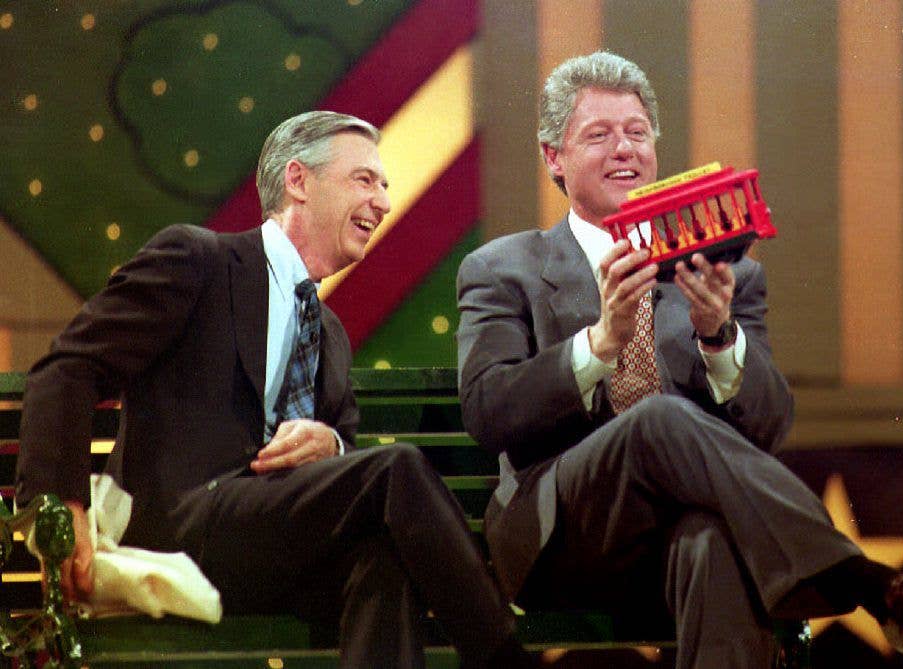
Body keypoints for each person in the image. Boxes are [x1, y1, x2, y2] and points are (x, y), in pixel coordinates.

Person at [455, 51, 903, 668]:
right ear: (554, 158)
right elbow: (489, 412)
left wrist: (718, 337)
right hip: (566, 538)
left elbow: (766, 428)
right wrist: (598, 345)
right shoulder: (503, 269)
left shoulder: (724, 273)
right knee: (658, 422)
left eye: (636, 133)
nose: (623, 149)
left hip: (686, 531)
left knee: (714, 547)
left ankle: (869, 587)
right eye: (598, 136)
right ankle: (869, 585)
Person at [16, 111, 535, 669]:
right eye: (365, 180)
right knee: (397, 469)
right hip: (183, 528)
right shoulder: (200, 261)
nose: (383, 202)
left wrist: (332, 447)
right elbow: (67, 369)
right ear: (298, 181)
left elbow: (347, 470)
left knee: (384, 556)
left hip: (277, 545)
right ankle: (505, 659)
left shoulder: (330, 334)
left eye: (384, 185)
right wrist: (59, 507)